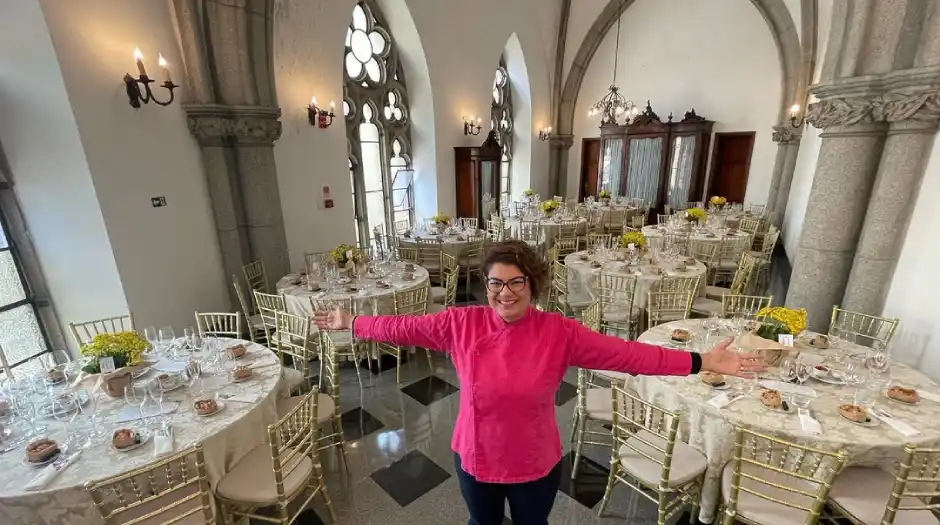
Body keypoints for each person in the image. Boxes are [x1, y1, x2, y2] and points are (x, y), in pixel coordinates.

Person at [314, 240, 763, 525]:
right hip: (475, 455)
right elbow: (401, 329)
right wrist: (351, 320)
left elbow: (629, 355)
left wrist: (702, 359)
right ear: (485, 286)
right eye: (495, 284)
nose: (504, 294)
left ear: (533, 284)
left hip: (534, 462)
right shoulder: (460, 323)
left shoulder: (559, 332)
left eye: (515, 283)